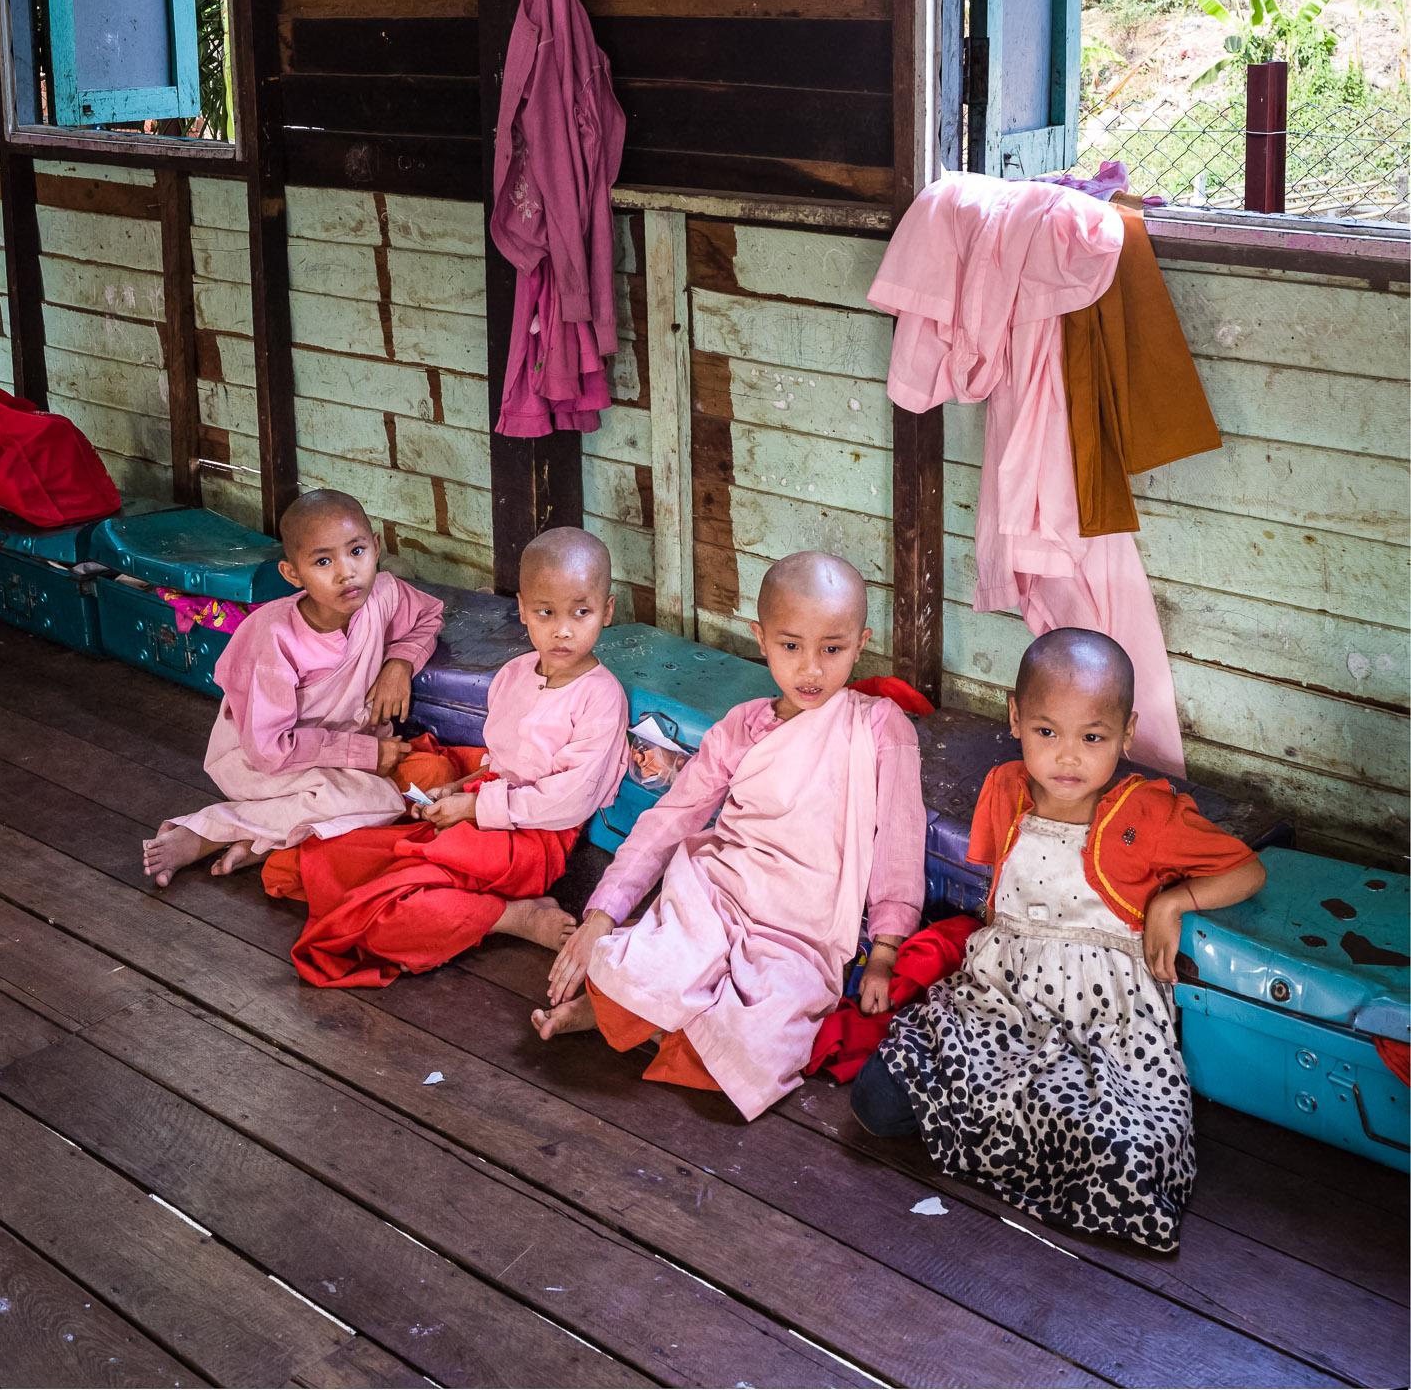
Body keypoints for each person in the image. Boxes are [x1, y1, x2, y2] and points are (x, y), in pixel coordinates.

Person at [851, 628, 1266, 1252]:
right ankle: (1014, 1139)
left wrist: (1174, 899)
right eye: (1047, 732)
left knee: (1123, 1155)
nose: (1068, 757)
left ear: (1126, 734)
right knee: (876, 1102)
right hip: (999, 998)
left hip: (1103, 1022)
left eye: (1092, 738)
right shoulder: (1004, 789)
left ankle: (1017, 1142)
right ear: (1016, 718)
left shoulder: (1146, 815)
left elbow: (1248, 870)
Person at [533, 552, 927, 1122]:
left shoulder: (878, 726)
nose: (811, 669)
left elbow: (899, 839)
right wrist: (602, 915)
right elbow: (674, 816)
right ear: (760, 638)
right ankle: (639, 1011)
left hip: (803, 931)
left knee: (752, 1051)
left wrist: (886, 949)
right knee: (622, 973)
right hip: (716, 896)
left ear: (861, 643)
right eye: (791, 646)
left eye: (832, 649)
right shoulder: (742, 727)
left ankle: (659, 1022)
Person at [281, 526, 630, 986]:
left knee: (391, 909)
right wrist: (460, 789)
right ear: (523, 609)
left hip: (536, 839)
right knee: (329, 859)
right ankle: (449, 902)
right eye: (545, 612)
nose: (562, 630)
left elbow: (569, 802)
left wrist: (476, 807)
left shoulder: (601, 697)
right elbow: (500, 762)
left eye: (581, 612)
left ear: (606, 612)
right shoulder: (513, 674)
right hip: (488, 807)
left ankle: (511, 917)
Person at [141, 490, 444, 886]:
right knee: (381, 800)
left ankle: (261, 840)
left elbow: (429, 615)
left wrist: (399, 663)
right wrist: (365, 752)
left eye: (356, 551)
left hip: (331, 753)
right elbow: (269, 750)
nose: (346, 572)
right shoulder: (275, 639)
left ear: (376, 547)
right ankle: (204, 832)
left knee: (421, 786)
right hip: (258, 762)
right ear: (293, 574)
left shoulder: (383, 595)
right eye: (323, 561)